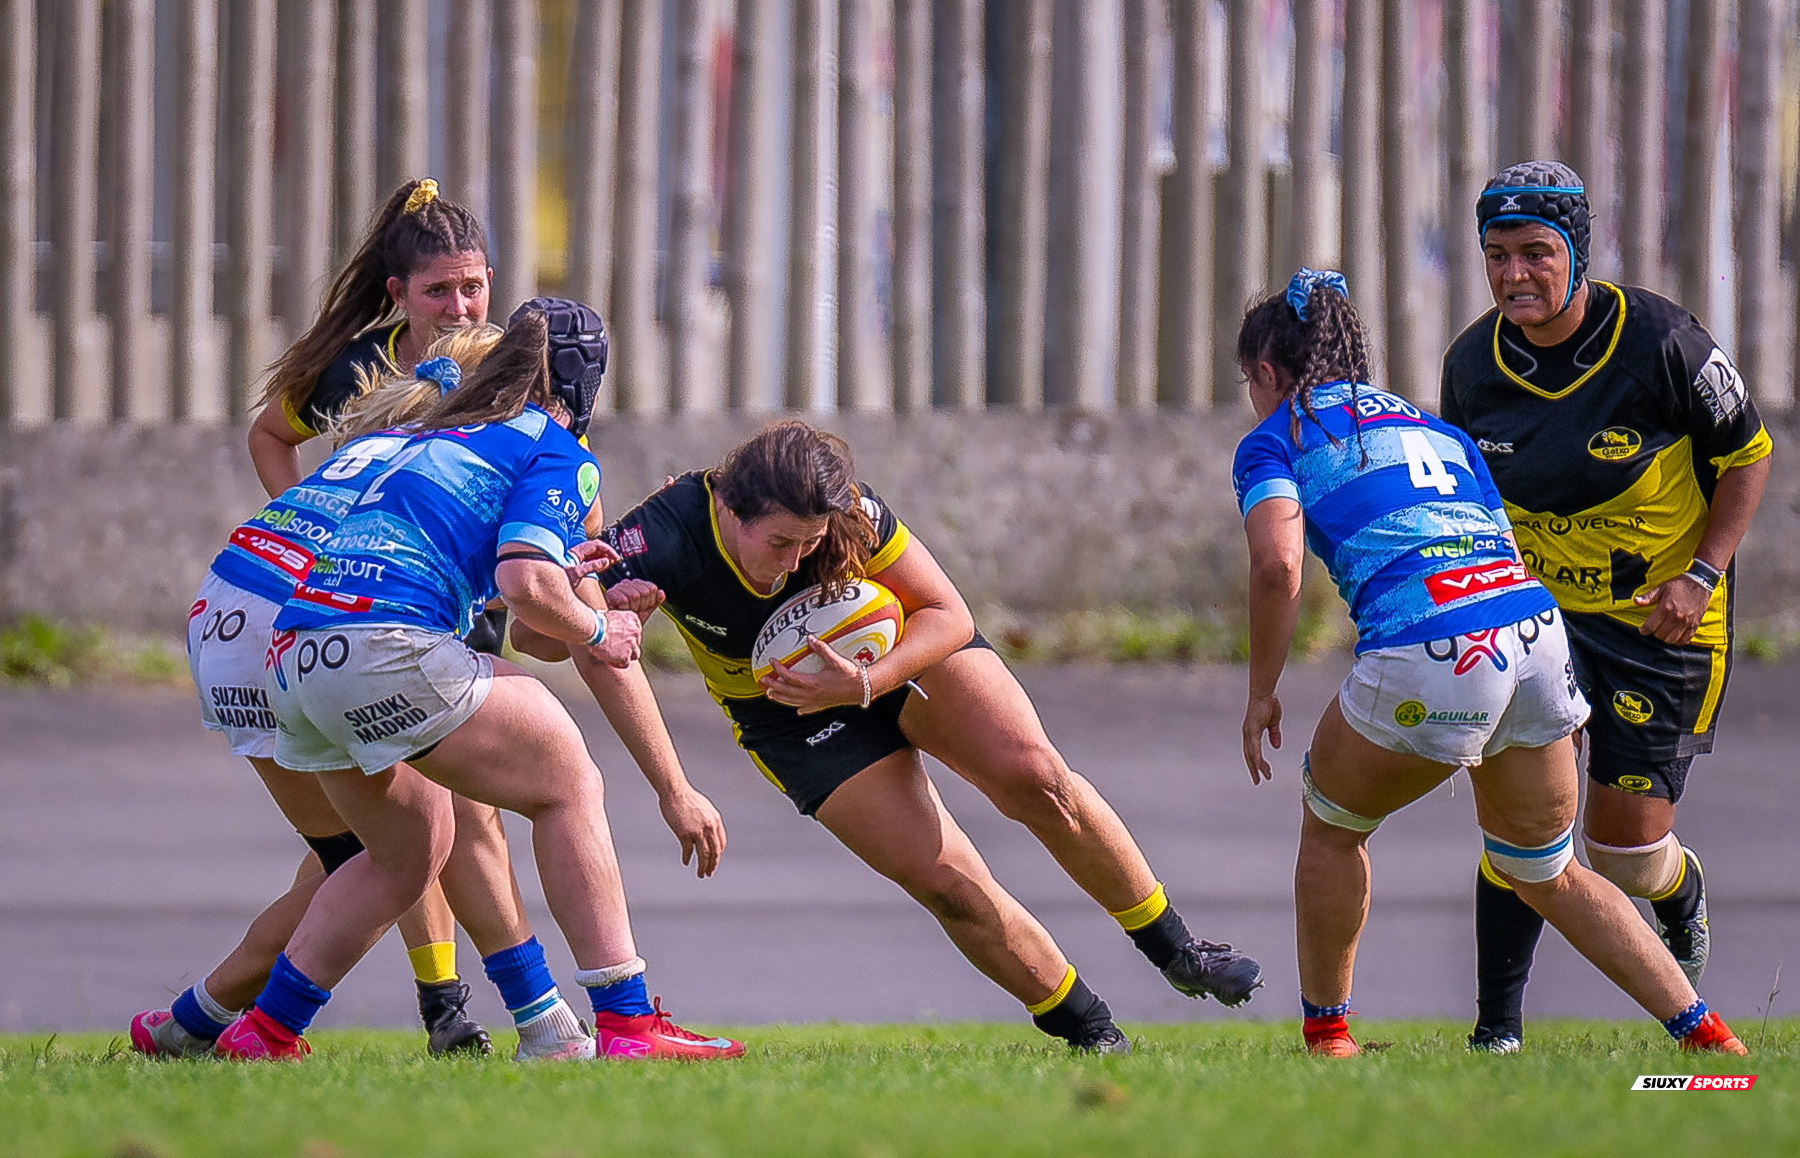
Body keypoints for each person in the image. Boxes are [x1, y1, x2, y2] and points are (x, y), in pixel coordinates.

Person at [534, 419, 1263, 1054]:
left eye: (808, 545)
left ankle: (1179, 951)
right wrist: (607, 618)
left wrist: (863, 683)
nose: (792, 563)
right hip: (786, 716)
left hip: (890, 659)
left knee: (1038, 777)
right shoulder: (658, 535)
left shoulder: (845, 507)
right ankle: (1093, 1032)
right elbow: (544, 642)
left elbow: (946, 611)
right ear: (727, 508)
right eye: (781, 543)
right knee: (950, 885)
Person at [1234, 268, 1746, 1057]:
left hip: (1428, 644)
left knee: (1333, 827)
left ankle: (1328, 1040)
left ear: (1267, 373)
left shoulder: (1276, 438)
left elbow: (1277, 567)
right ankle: (1708, 1043)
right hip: (1535, 634)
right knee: (1544, 868)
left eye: (1249, 383)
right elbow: (1499, 542)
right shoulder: (1435, 427)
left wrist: (1261, 691)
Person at [216, 301, 740, 1062]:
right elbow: (528, 586)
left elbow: (519, 606)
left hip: (292, 657)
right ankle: (627, 1023)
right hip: (381, 643)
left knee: (403, 852)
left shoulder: (419, 433)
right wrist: (600, 625)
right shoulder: (553, 445)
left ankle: (263, 1032)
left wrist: (573, 582)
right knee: (567, 779)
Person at [1439, 161, 1772, 1053]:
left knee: (1622, 853)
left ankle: (1677, 887)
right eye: (1497, 254)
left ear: (1578, 252)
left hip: (1660, 623)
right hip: (1537, 618)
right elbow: (1463, 500)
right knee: (1521, 814)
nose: (1516, 275)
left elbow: (1747, 458)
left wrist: (1700, 576)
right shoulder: (1473, 366)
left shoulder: (1663, 340)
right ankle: (1495, 1031)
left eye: (1538, 253)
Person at [132, 328, 513, 1060]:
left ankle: (195, 1024)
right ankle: (245, 1026)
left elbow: (272, 437)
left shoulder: (383, 427)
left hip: (225, 612)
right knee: (403, 848)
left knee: (355, 860)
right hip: (298, 629)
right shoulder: (467, 457)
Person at [247, 177, 513, 657]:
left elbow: (570, 483)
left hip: (469, 618)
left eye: (471, 287)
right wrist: (312, 531)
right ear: (398, 292)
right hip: (361, 608)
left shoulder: (515, 369)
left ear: (490, 280)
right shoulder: (355, 368)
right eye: (438, 290)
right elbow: (269, 435)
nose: (459, 309)